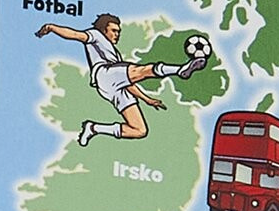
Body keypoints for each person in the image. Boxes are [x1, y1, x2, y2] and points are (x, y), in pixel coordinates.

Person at [39, 13, 208, 147]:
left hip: (113, 87)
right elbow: (75, 35)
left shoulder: (115, 55)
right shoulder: (95, 35)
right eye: (114, 30)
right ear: (103, 30)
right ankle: (180, 71)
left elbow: (129, 83)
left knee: (139, 130)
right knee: (142, 70)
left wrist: (147, 99)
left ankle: (93, 128)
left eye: (118, 31)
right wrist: (52, 27)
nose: (117, 34)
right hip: (104, 74)